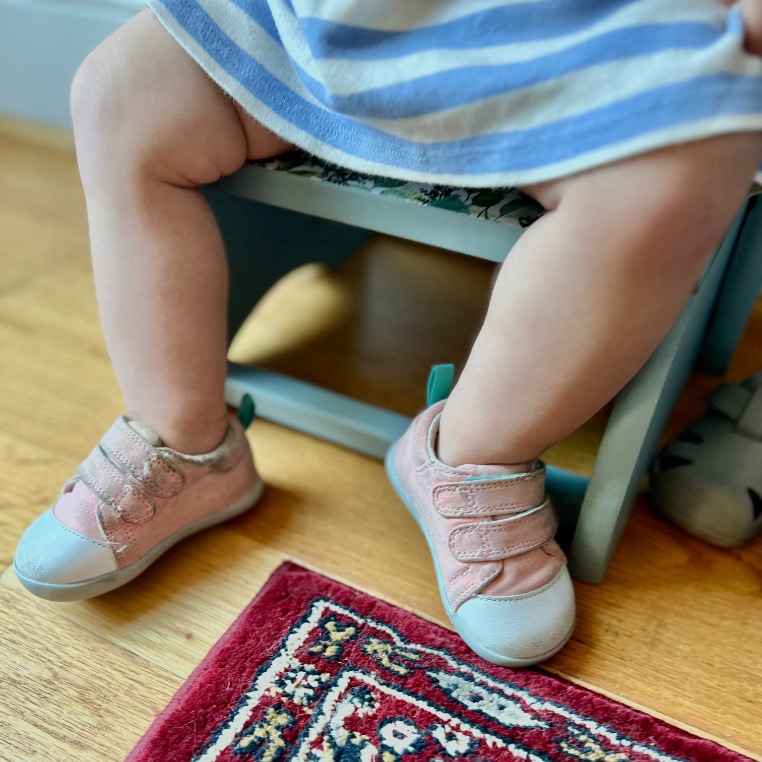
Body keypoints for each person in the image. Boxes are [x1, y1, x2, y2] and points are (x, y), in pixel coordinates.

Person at [13, 0, 762, 667]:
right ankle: (187, 439)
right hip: (328, 38)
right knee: (121, 91)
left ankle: (475, 450)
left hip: (587, 50)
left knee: (684, 162)